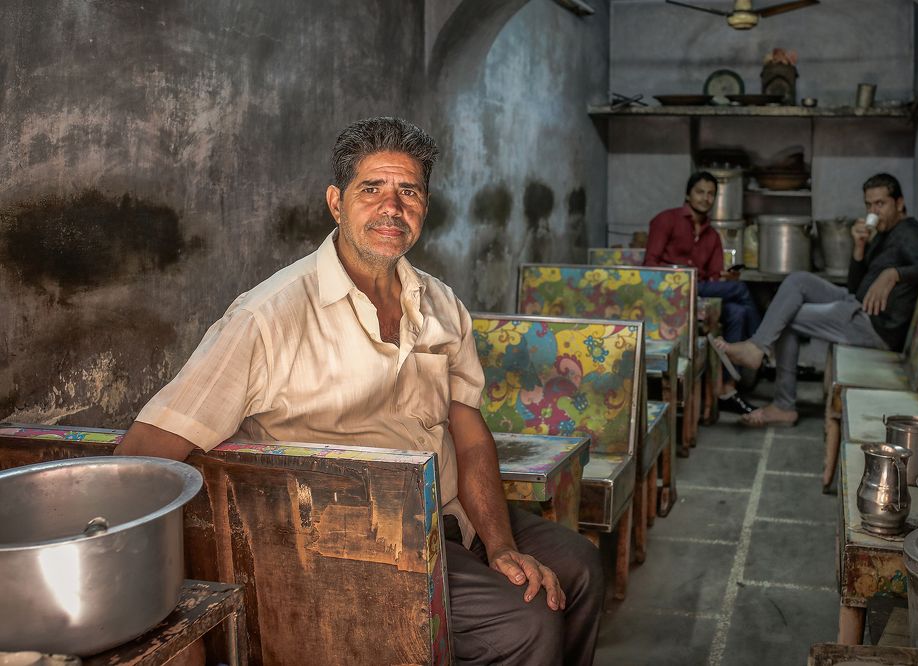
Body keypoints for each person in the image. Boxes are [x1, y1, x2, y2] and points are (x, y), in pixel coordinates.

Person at [115, 117, 603, 665]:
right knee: (526, 621)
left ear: (425, 206)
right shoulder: (268, 317)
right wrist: (147, 595)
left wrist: (501, 544)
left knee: (580, 568)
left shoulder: (441, 304)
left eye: (408, 192)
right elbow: (145, 452)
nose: (391, 208)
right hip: (354, 549)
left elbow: (468, 434)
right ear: (336, 203)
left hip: (449, 514)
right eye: (371, 189)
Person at [715, 173, 918, 427]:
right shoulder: (883, 234)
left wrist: (894, 274)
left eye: (880, 204)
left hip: (876, 327)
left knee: (786, 317)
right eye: (869, 205)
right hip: (857, 305)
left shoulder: (908, 231)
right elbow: (855, 288)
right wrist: (859, 249)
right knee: (798, 279)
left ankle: (782, 404)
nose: (873, 211)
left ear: (899, 203)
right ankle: (758, 347)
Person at [643, 170, 761, 415]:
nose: (705, 198)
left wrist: (723, 279)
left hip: (701, 294)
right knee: (741, 290)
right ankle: (760, 346)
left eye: (711, 194)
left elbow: (713, 276)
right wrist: (679, 279)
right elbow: (649, 265)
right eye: (700, 192)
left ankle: (727, 387)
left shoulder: (713, 236)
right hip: (670, 292)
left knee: (737, 312)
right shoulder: (666, 220)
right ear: (688, 194)